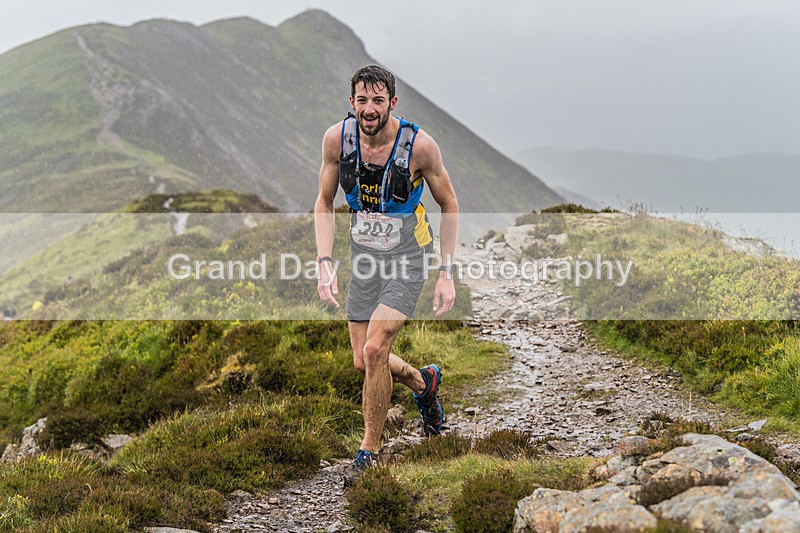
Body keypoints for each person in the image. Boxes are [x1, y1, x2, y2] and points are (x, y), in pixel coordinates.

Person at [314, 65, 459, 485]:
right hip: (365, 260)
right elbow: (324, 203)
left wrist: (445, 272)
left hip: (409, 259)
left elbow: (449, 204)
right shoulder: (336, 141)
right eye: (362, 100)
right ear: (352, 103)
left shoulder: (420, 147)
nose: (369, 109)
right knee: (363, 361)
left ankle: (369, 452)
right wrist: (325, 261)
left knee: (376, 350)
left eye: (378, 101)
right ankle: (423, 382)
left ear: (392, 103)